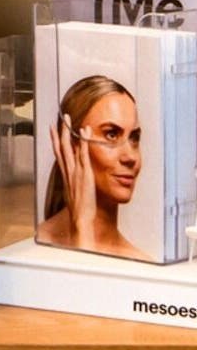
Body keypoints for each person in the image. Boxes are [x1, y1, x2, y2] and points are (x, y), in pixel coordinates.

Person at [39, 73, 150, 260]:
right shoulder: (35, 248)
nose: (130, 157)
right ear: (70, 145)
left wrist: (83, 230)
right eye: (111, 134)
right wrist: (82, 227)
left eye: (134, 138)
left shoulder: (140, 264)